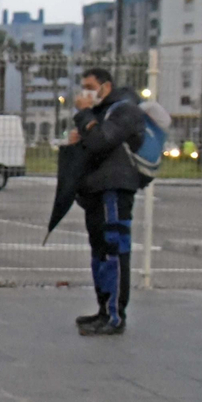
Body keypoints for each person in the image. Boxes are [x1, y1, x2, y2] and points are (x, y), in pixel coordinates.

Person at [66, 67, 146, 336]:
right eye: (83, 86)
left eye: (90, 86)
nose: (85, 92)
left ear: (106, 86)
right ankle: (103, 309)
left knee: (114, 249)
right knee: (99, 251)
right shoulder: (100, 114)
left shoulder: (125, 110)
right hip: (95, 190)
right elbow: (89, 147)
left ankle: (115, 315)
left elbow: (102, 141)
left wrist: (84, 115)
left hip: (115, 188)